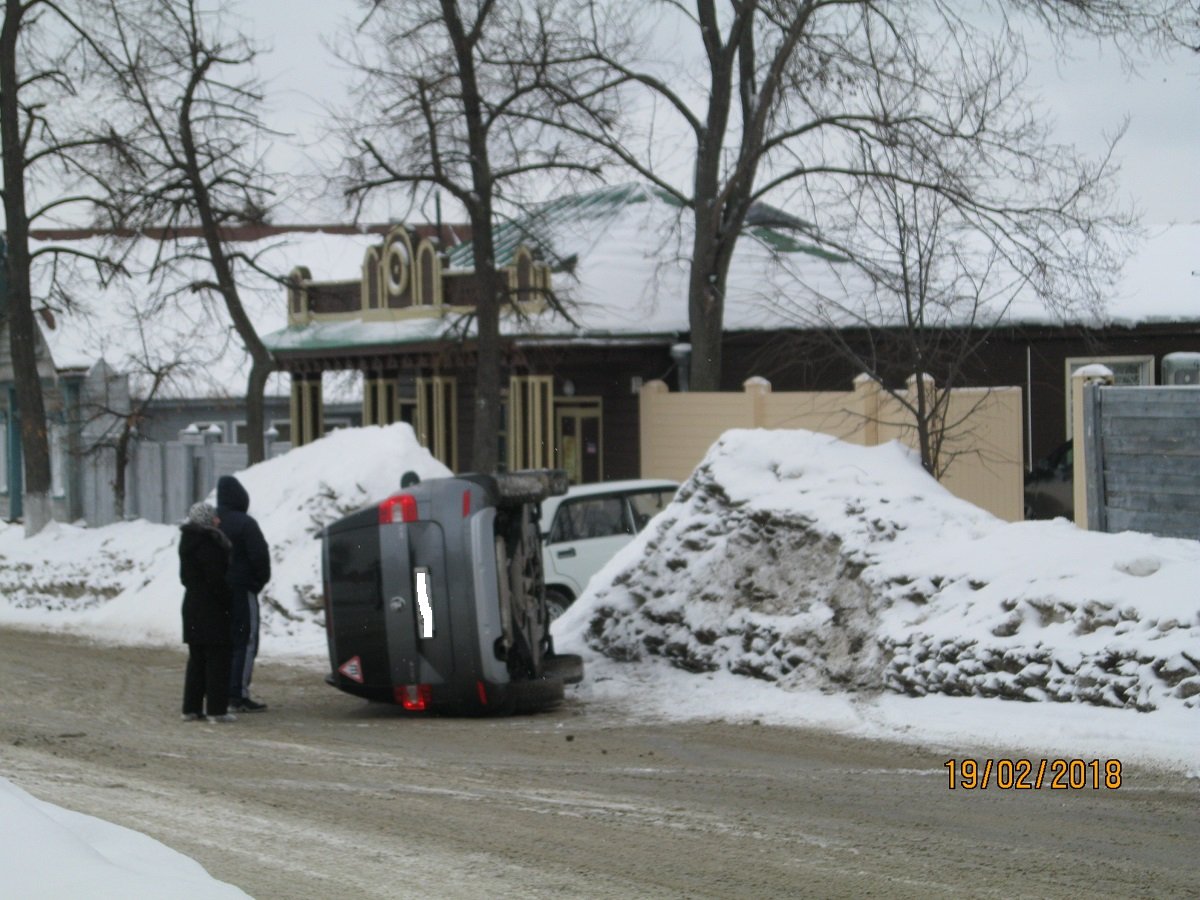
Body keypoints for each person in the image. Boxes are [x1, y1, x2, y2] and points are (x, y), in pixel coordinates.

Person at [216, 474, 271, 713]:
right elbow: (260, 557)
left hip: (216, 592)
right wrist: (256, 583)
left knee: (223, 640)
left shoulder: (214, 523)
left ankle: (222, 690)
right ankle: (237, 693)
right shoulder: (245, 523)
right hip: (242, 589)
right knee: (245, 641)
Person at [179, 502, 236, 723]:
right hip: (211, 609)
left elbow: (185, 578)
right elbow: (216, 580)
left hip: (192, 606)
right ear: (206, 520)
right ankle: (216, 710)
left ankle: (191, 708)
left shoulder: (188, 543)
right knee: (218, 660)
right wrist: (228, 599)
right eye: (214, 518)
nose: (218, 521)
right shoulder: (209, 544)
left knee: (197, 659)